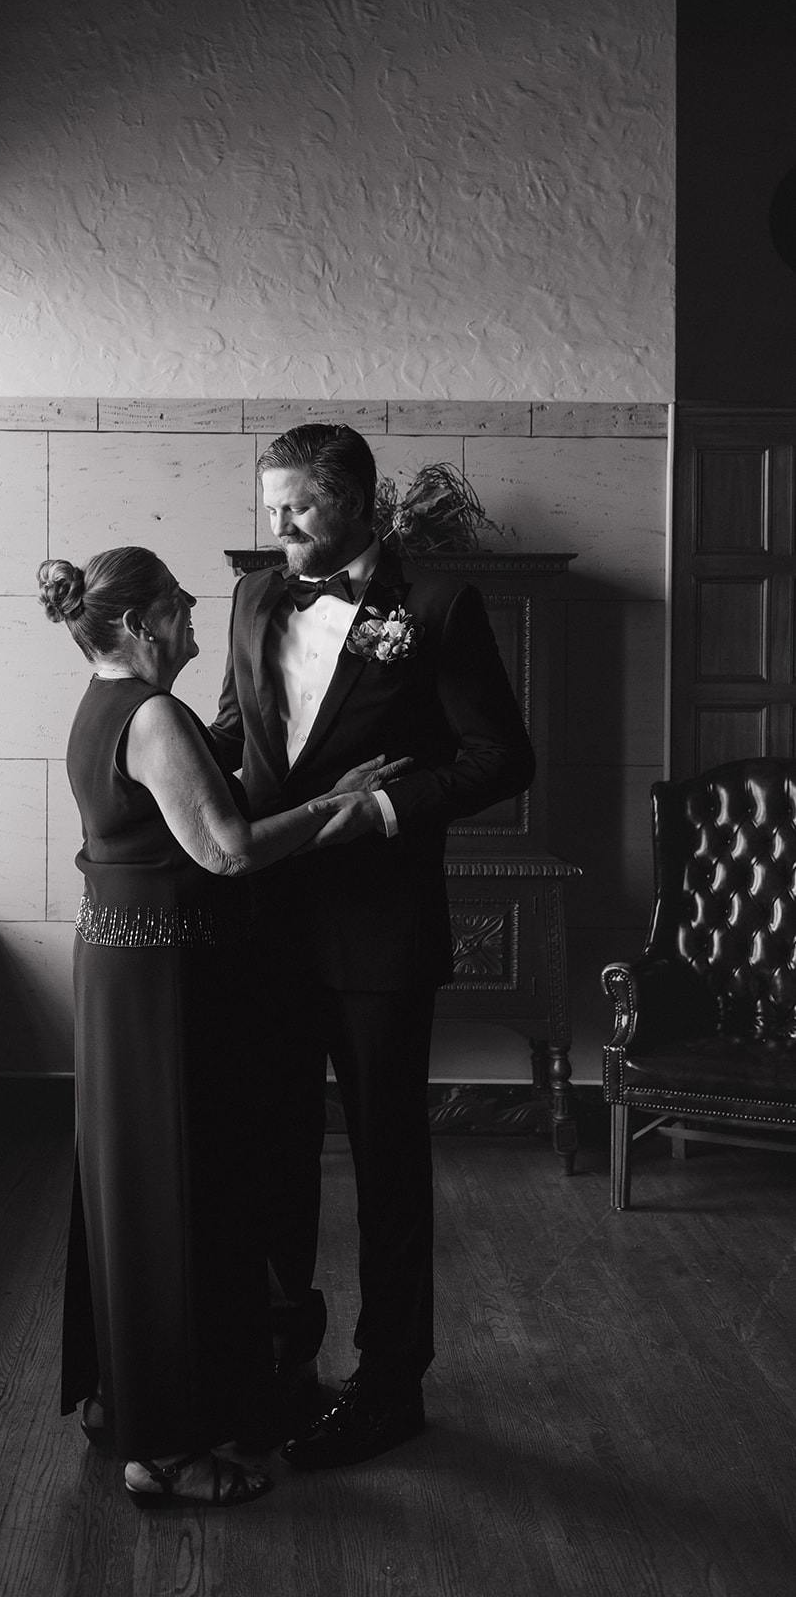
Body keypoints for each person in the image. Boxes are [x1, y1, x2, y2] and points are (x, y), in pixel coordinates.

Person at [39, 545, 409, 1509]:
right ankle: (166, 1454)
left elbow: (208, 812)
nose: (195, 610)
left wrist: (318, 792)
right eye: (175, 603)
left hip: (136, 975)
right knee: (175, 1194)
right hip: (159, 985)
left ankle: (140, 1402)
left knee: (153, 1190)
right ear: (138, 625)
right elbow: (231, 851)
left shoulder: (108, 704)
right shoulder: (154, 715)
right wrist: (338, 807)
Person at [210, 424, 536, 1470]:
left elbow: (501, 757)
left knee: (388, 1159)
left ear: (352, 500)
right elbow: (235, 738)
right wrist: (144, 755)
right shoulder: (254, 599)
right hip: (265, 927)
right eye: (270, 511)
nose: (279, 529)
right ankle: (278, 1355)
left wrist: (384, 811)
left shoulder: (438, 607)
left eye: (297, 509)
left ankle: (391, 1382)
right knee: (267, 1148)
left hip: (379, 935)